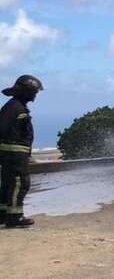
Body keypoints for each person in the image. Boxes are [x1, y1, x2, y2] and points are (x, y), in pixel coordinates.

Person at [0, 75, 43, 228]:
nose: (35, 95)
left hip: (13, 153)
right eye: (34, 92)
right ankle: (15, 216)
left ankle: (4, 215)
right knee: (20, 183)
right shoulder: (14, 108)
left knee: (8, 183)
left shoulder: (14, 106)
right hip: (14, 154)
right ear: (26, 91)